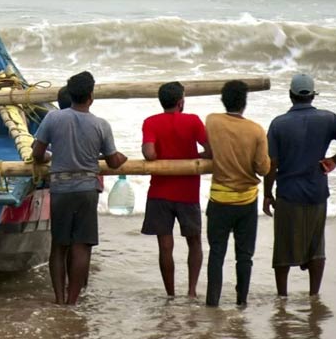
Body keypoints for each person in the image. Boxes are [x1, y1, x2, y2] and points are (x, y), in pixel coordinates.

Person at [263, 74, 336, 297]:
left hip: (288, 194)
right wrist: (334, 160)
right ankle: (313, 295)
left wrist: (267, 193)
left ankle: (282, 296)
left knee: (283, 247)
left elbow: (272, 163)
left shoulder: (279, 124)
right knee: (316, 246)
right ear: (312, 96)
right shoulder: (328, 119)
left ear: (291, 96)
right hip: (317, 191)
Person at [32, 71, 127, 305]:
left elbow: (37, 153)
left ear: (70, 94)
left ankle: (59, 298)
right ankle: (73, 301)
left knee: (59, 246)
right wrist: (123, 158)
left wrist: (48, 158)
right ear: (91, 96)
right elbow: (113, 161)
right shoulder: (101, 125)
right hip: (87, 189)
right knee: (81, 246)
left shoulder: (53, 118)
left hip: (61, 188)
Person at [141, 81, 211, 298]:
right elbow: (211, 150)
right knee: (194, 241)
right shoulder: (192, 121)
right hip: (187, 192)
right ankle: (191, 291)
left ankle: (170, 294)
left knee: (165, 246)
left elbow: (150, 154)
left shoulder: (150, 122)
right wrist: (194, 158)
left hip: (159, 191)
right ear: (181, 102)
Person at [204, 80, 270, 307]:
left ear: (223, 100)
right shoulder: (256, 130)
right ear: (245, 103)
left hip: (219, 199)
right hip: (246, 201)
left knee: (216, 254)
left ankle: (212, 302)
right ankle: (241, 302)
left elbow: (210, 149)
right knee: (244, 256)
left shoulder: (212, 121)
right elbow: (263, 168)